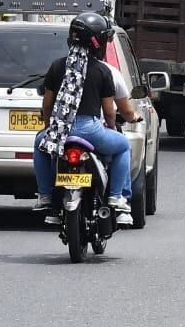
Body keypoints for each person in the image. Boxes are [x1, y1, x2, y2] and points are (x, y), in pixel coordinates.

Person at [32, 12, 136, 226]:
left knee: (39, 143)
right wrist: (112, 128)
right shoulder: (103, 70)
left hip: (61, 132)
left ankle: (45, 195)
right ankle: (117, 196)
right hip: (91, 131)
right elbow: (109, 112)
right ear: (97, 42)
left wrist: (49, 129)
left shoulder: (57, 66)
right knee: (123, 146)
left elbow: (47, 105)